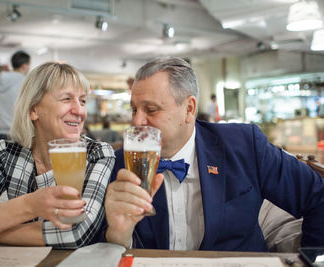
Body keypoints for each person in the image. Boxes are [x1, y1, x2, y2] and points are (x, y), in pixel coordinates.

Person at [103, 57, 324, 251]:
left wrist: (309, 260)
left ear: (189, 109)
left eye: (150, 110)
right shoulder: (121, 165)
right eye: (134, 109)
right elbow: (104, 249)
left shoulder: (245, 146)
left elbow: (318, 196)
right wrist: (119, 235)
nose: (136, 121)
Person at [0, 62, 115, 248]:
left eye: (82, 101)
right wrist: (29, 205)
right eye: (66, 99)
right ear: (33, 110)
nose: (80, 111)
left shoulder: (98, 153)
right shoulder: (7, 153)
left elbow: (76, 233)